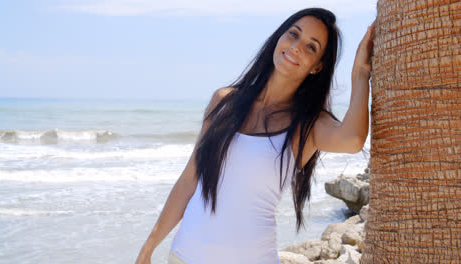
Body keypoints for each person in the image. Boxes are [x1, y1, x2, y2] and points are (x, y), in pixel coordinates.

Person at [135, 7, 375, 264]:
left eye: (311, 47)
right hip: (184, 255)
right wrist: (149, 247)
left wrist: (360, 73)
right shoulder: (224, 101)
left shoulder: (308, 124)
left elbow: (352, 140)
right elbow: (189, 180)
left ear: (318, 66)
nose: (296, 47)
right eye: (293, 35)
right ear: (279, 37)